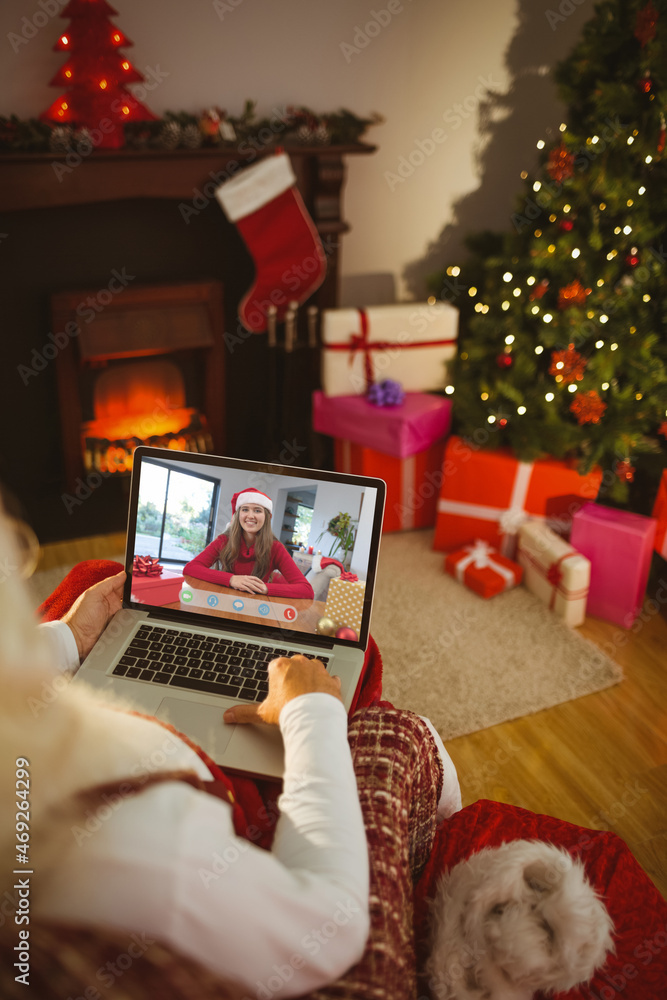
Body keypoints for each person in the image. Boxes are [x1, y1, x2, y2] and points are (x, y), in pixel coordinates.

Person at [0, 500, 462, 999]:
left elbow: (302, 590)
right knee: (361, 657)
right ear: (238, 516)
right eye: (246, 514)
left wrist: (70, 636)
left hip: (218, 634)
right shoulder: (129, 837)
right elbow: (196, 570)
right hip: (209, 773)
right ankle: (440, 822)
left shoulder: (277, 549)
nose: (252, 520)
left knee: (102, 577)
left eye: (259, 515)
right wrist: (306, 703)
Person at [183, 487, 314, 599]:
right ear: (238, 514)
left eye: (257, 510)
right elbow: (190, 568)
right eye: (245, 509)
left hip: (257, 605)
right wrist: (231, 579)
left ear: (267, 517)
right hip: (223, 599)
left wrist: (265, 588)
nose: (250, 516)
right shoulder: (223, 540)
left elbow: (307, 590)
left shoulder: (276, 548)